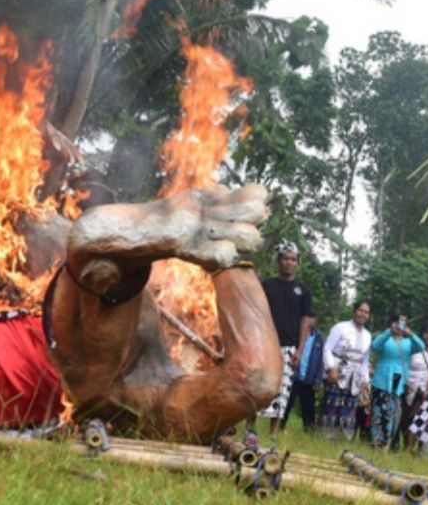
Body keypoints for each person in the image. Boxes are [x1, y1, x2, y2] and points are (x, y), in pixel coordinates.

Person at [45, 184, 281, 441]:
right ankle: (225, 250)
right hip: (151, 391)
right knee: (255, 381)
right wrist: (232, 256)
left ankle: (110, 256)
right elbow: (254, 380)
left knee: (99, 370)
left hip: (112, 374)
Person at [245, 240, 314, 441]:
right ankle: (251, 427)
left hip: (289, 346)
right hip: (264, 344)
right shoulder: (267, 286)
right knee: (258, 386)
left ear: (298, 263)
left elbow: (306, 320)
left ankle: (274, 432)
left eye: (293, 260)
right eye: (285, 259)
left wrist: (300, 350)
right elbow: (255, 313)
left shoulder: (303, 290)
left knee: (282, 390)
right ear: (279, 261)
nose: (288, 263)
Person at [369, 314, 424, 449]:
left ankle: (389, 443)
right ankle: (376, 442)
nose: (399, 326)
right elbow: (375, 346)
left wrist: (410, 334)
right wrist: (389, 332)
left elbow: (421, 346)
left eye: (403, 324)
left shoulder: (408, 342)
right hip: (382, 380)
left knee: (395, 414)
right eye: (397, 323)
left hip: (399, 384)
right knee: (379, 412)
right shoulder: (386, 338)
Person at [320, 300, 372, 439]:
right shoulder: (340, 327)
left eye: (366, 312)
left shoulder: (367, 335)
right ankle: (326, 436)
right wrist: (330, 369)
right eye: (361, 310)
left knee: (350, 407)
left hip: (355, 376)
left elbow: (365, 360)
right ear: (354, 311)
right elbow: (327, 348)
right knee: (332, 404)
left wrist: (365, 380)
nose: (363, 314)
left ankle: (343, 438)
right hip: (338, 370)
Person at [401, 325, 428, 447]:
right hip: (409, 388)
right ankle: (404, 446)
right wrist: (405, 382)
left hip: (427, 391)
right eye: (426, 333)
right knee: (405, 419)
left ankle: (416, 449)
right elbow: (404, 365)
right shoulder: (413, 347)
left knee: (421, 419)